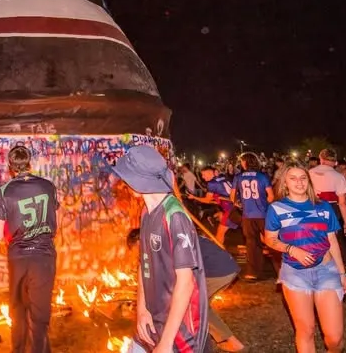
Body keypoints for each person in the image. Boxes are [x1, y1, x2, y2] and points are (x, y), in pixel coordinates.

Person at [112, 145, 208, 353]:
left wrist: (166, 342)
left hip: (179, 327)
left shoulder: (175, 217)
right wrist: (142, 309)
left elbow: (186, 283)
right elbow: (143, 263)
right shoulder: (146, 212)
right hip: (153, 318)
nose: (123, 183)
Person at [264, 164, 346, 353]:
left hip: (327, 271)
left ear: (309, 181)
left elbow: (332, 241)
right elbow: (269, 239)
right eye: (293, 178)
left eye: (303, 178)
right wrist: (291, 250)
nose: (299, 182)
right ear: (285, 183)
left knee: (335, 338)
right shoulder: (277, 209)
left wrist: (342, 273)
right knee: (306, 330)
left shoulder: (323, 206)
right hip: (295, 274)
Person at [0, 145, 59, 353]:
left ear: (10, 166)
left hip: (18, 258)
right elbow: (58, 224)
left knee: (18, 312)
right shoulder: (48, 186)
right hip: (45, 257)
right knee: (40, 314)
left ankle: (18, 350)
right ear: (30, 162)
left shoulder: (4, 190)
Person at [230, 152, 278, 281]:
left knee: (252, 244)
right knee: (273, 242)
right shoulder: (262, 176)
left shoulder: (238, 177)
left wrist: (241, 203)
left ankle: (253, 272)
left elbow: (232, 197)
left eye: (242, 161)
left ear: (245, 162)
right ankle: (282, 271)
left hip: (248, 215)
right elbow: (271, 196)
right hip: (263, 215)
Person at [187, 167, 238, 245]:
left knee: (220, 233)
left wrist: (194, 197)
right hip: (238, 206)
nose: (203, 177)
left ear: (209, 173)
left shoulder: (211, 183)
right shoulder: (223, 177)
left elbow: (207, 200)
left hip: (231, 210)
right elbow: (222, 196)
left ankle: (218, 252)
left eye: (203, 175)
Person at [308, 149, 346, 237]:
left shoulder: (309, 173)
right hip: (332, 211)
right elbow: (342, 203)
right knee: (331, 239)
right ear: (335, 161)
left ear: (321, 158)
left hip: (311, 208)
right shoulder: (338, 176)